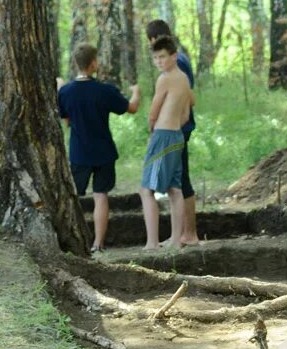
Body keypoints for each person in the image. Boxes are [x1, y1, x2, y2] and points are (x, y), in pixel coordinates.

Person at [57, 43, 140, 253]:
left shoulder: (66, 92)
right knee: (101, 195)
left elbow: (66, 121)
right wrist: (136, 92)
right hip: (103, 152)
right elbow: (131, 108)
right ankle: (98, 244)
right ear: (93, 62)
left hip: (79, 152)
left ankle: (74, 240)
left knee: (74, 197)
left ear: (76, 63)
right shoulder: (105, 91)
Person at [145, 19, 200, 246]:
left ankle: (189, 233)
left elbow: (186, 97)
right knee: (176, 182)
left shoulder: (176, 67)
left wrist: (155, 124)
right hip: (179, 127)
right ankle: (181, 235)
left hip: (174, 130)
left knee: (178, 181)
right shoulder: (180, 62)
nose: (158, 60)